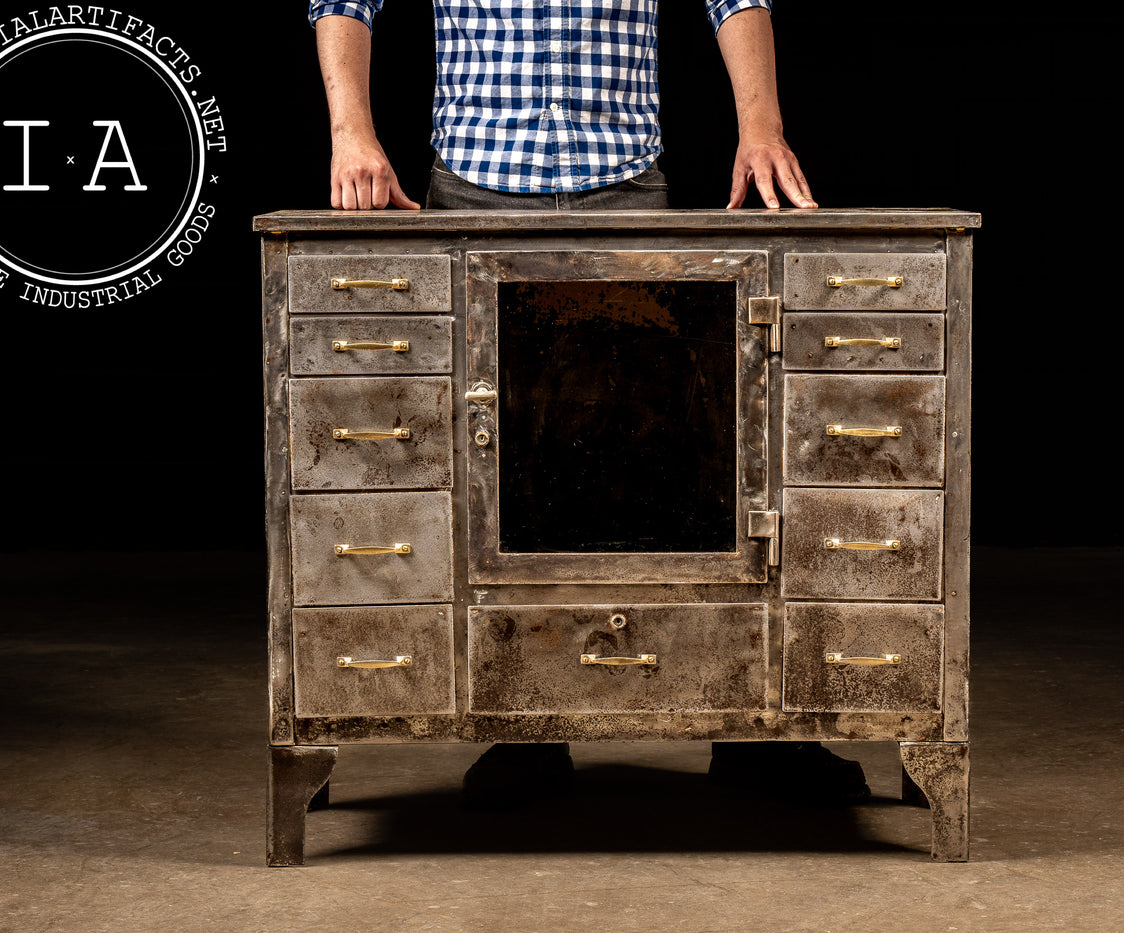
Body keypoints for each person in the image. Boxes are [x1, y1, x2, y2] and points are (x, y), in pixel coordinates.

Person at [309, 0, 867, 808]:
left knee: (655, 472)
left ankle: (746, 732)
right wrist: (351, 134)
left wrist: (761, 127)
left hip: (625, 183)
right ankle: (519, 727)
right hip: (476, 186)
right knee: (499, 471)